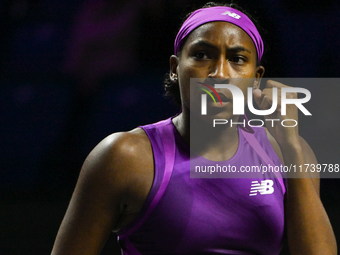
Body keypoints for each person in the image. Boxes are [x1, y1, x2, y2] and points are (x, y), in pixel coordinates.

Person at [51, 2, 337, 255]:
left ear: (255, 77)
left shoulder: (292, 155)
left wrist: (291, 146)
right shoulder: (121, 156)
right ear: (175, 68)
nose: (219, 74)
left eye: (237, 59)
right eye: (202, 55)